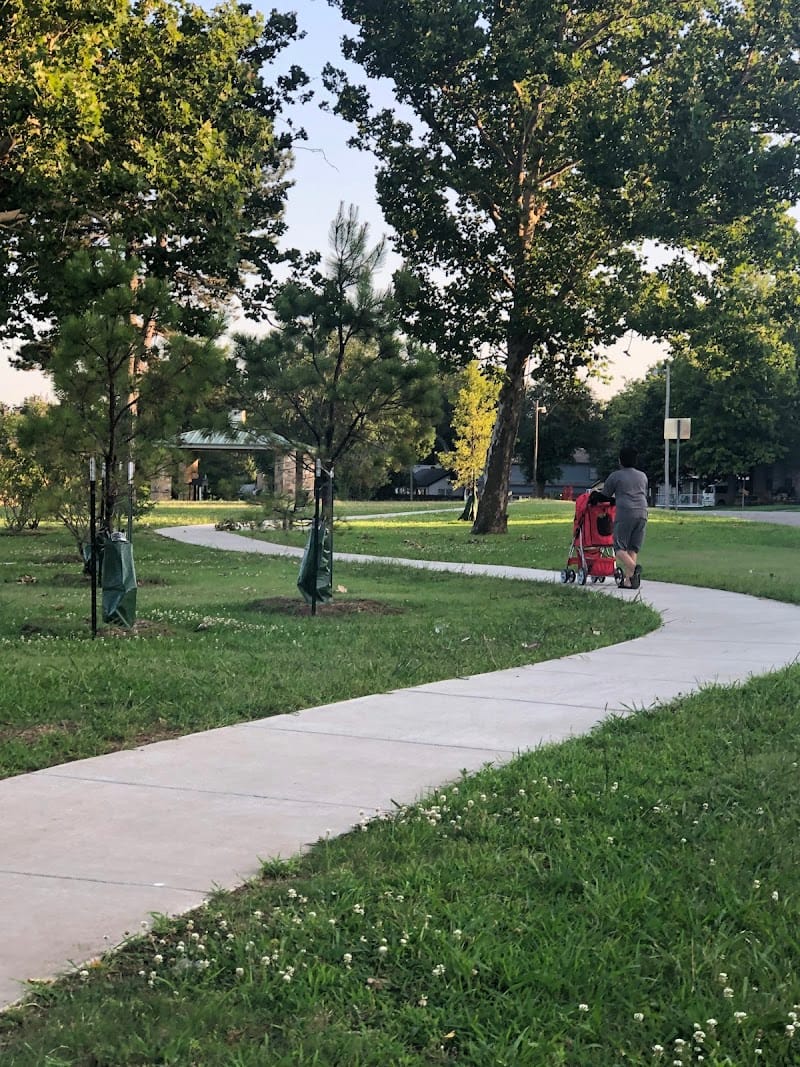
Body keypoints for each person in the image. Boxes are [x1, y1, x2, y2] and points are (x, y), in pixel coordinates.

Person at [595, 446, 649, 589]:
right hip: (643, 512)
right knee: (633, 548)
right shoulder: (642, 476)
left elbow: (605, 496)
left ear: (620, 460)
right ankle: (628, 581)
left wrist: (595, 496)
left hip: (626, 512)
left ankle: (634, 568)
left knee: (619, 547)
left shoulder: (616, 476)